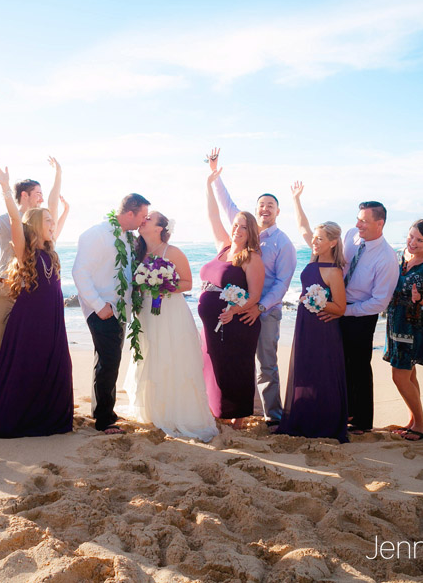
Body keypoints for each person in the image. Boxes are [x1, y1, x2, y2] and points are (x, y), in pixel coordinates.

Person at [0, 162, 73, 438]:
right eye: (38, 193)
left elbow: (54, 206)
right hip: (6, 294)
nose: (44, 199)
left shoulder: (46, 231)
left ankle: (26, 405)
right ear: (25, 196)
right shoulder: (14, 225)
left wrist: (59, 175)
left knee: (30, 356)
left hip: (33, 303)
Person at [207, 149, 297, 428]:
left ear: (278, 211)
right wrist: (214, 175)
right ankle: (250, 409)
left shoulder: (284, 244)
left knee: (266, 364)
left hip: (265, 310)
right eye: (261, 205)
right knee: (240, 360)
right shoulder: (244, 230)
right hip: (240, 310)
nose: (265, 208)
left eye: (270, 205)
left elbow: (282, 284)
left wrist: (259, 307)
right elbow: (225, 205)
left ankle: (273, 416)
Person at [122, 211, 219, 442]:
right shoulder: (136, 252)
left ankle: (177, 413)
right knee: (149, 356)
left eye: (149, 219)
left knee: (172, 358)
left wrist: (161, 285)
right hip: (146, 312)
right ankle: (152, 410)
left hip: (170, 312)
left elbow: (187, 283)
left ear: (158, 228)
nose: (143, 220)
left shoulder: (172, 252)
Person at [309, 198, 399, 434]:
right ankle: (340, 410)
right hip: (337, 306)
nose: (358, 225)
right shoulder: (350, 235)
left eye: (364, 222)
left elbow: (380, 302)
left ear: (380, 224)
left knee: (358, 365)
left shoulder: (387, 258)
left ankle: (361, 420)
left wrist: (343, 310)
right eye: (358, 220)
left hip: (360, 314)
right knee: (337, 362)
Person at [73, 193, 151, 434]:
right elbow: (80, 272)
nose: (144, 221)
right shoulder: (95, 235)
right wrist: (99, 306)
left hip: (121, 309)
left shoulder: (129, 238)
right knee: (109, 363)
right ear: (130, 213)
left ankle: (102, 411)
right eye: (143, 216)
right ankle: (105, 420)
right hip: (103, 309)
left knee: (108, 361)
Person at [276, 182, 348, 442]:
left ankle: (322, 423)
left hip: (323, 327)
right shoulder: (313, 258)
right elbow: (303, 227)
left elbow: (340, 307)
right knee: (304, 369)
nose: (314, 242)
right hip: (305, 323)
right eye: (314, 238)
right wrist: (296, 200)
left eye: (319, 239)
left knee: (321, 373)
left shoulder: (334, 271)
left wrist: (318, 303)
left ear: (332, 242)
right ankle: (303, 418)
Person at [199, 167, 265, 429]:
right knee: (213, 364)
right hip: (213, 324)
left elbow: (255, 295)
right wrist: (208, 183)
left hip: (237, 324)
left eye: (244, 227)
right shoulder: (223, 246)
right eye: (236, 225)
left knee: (237, 366)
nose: (238, 230)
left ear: (251, 232)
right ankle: (218, 410)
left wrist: (234, 311)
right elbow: (212, 214)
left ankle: (239, 416)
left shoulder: (252, 258)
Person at [384, 219, 423, 441]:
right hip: (395, 322)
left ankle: (420, 425)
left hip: (414, 326)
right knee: (410, 374)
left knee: (399, 376)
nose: (413, 242)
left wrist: (420, 298)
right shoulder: (401, 256)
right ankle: (413, 419)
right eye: (411, 237)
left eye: (420, 240)